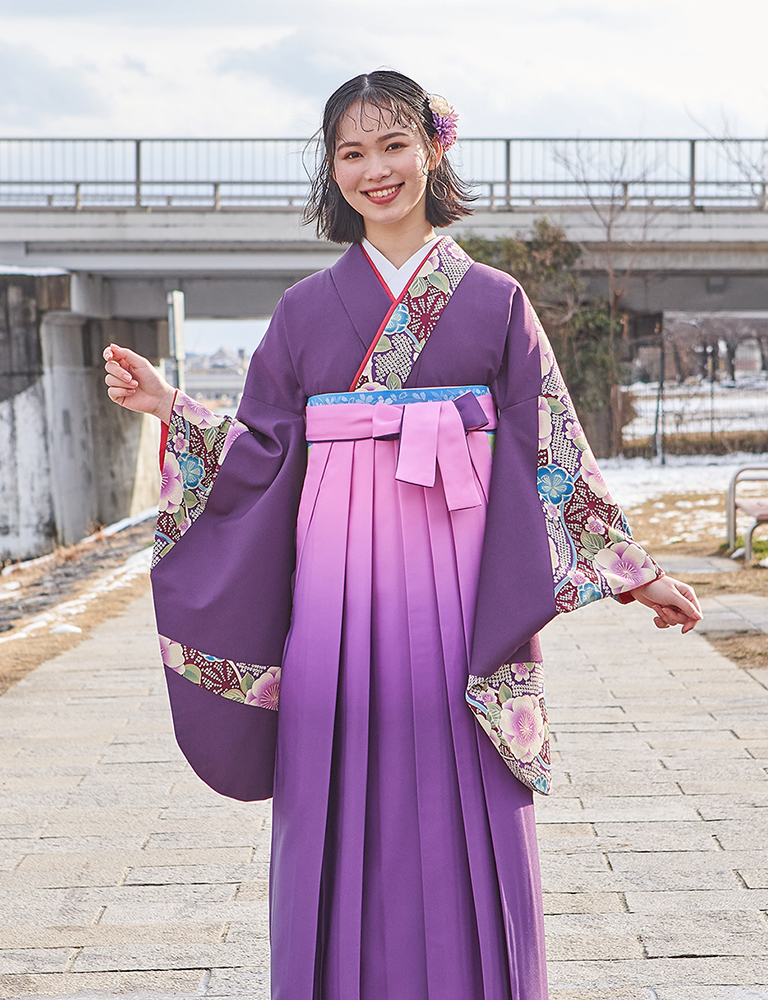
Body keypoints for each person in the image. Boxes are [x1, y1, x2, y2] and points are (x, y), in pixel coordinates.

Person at [104, 70, 701, 1000]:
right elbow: (264, 452)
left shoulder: (497, 302)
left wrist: (634, 572)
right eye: (351, 152)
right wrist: (170, 407)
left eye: (393, 145)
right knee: (332, 790)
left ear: (432, 149)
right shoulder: (304, 312)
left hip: (464, 587)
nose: (375, 170)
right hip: (332, 594)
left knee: (466, 785)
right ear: (330, 171)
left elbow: (552, 445)